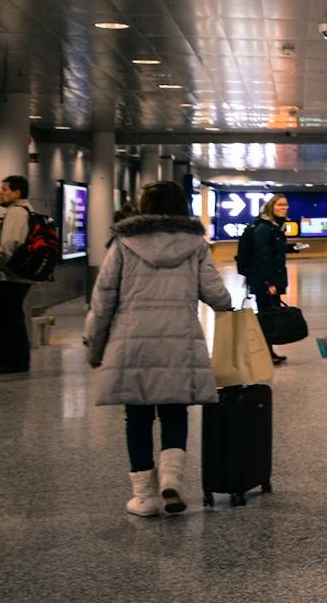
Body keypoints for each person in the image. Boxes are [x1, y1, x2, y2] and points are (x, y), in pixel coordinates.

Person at [84, 180, 233, 517]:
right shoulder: (195, 245)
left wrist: (95, 348)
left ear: (144, 206)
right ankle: (171, 481)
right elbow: (217, 296)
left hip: (132, 342)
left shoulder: (123, 243)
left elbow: (103, 299)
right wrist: (229, 307)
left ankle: (144, 497)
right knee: (174, 411)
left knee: (136, 417)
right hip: (178, 341)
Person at [0, 175, 34, 375]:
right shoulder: (23, 211)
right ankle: (11, 359)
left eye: (4, 189)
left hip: (8, 276)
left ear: (16, 193)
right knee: (9, 316)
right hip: (13, 275)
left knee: (6, 317)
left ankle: (13, 360)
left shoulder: (17, 213)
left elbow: (11, 243)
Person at [243, 194, 292, 365]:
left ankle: (268, 352)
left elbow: (273, 250)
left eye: (285, 205)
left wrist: (290, 248)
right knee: (267, 316)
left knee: (269, 316)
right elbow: (262, 257)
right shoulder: (264, 228)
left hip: (269, 278)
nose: (283, 207)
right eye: (279, 205)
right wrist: (269, 283)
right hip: (264, 280)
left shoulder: (273, 226)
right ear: (271, 207)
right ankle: (265, 353)